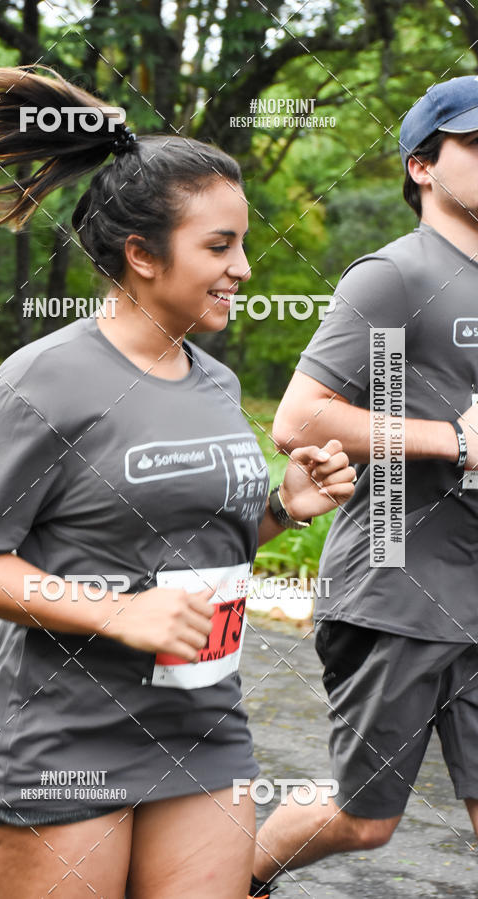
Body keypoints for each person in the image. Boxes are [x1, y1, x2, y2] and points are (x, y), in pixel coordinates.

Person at [0, 65, 356, 897]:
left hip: (202, 725)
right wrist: (119, 612)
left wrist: (280, 509)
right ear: (140, 253)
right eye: (219, 246)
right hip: (65, 738)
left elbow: (177, 542)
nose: (244, 266)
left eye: (242, 241)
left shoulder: (213, 379)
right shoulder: (46, 379)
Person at [248, 75, 478, 898]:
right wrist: (453, 441)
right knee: (362, 817)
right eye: (476, 146)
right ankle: (213, 877)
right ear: (422, 165)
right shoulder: (394, 276)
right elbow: (299, 421)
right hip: (399, 589)